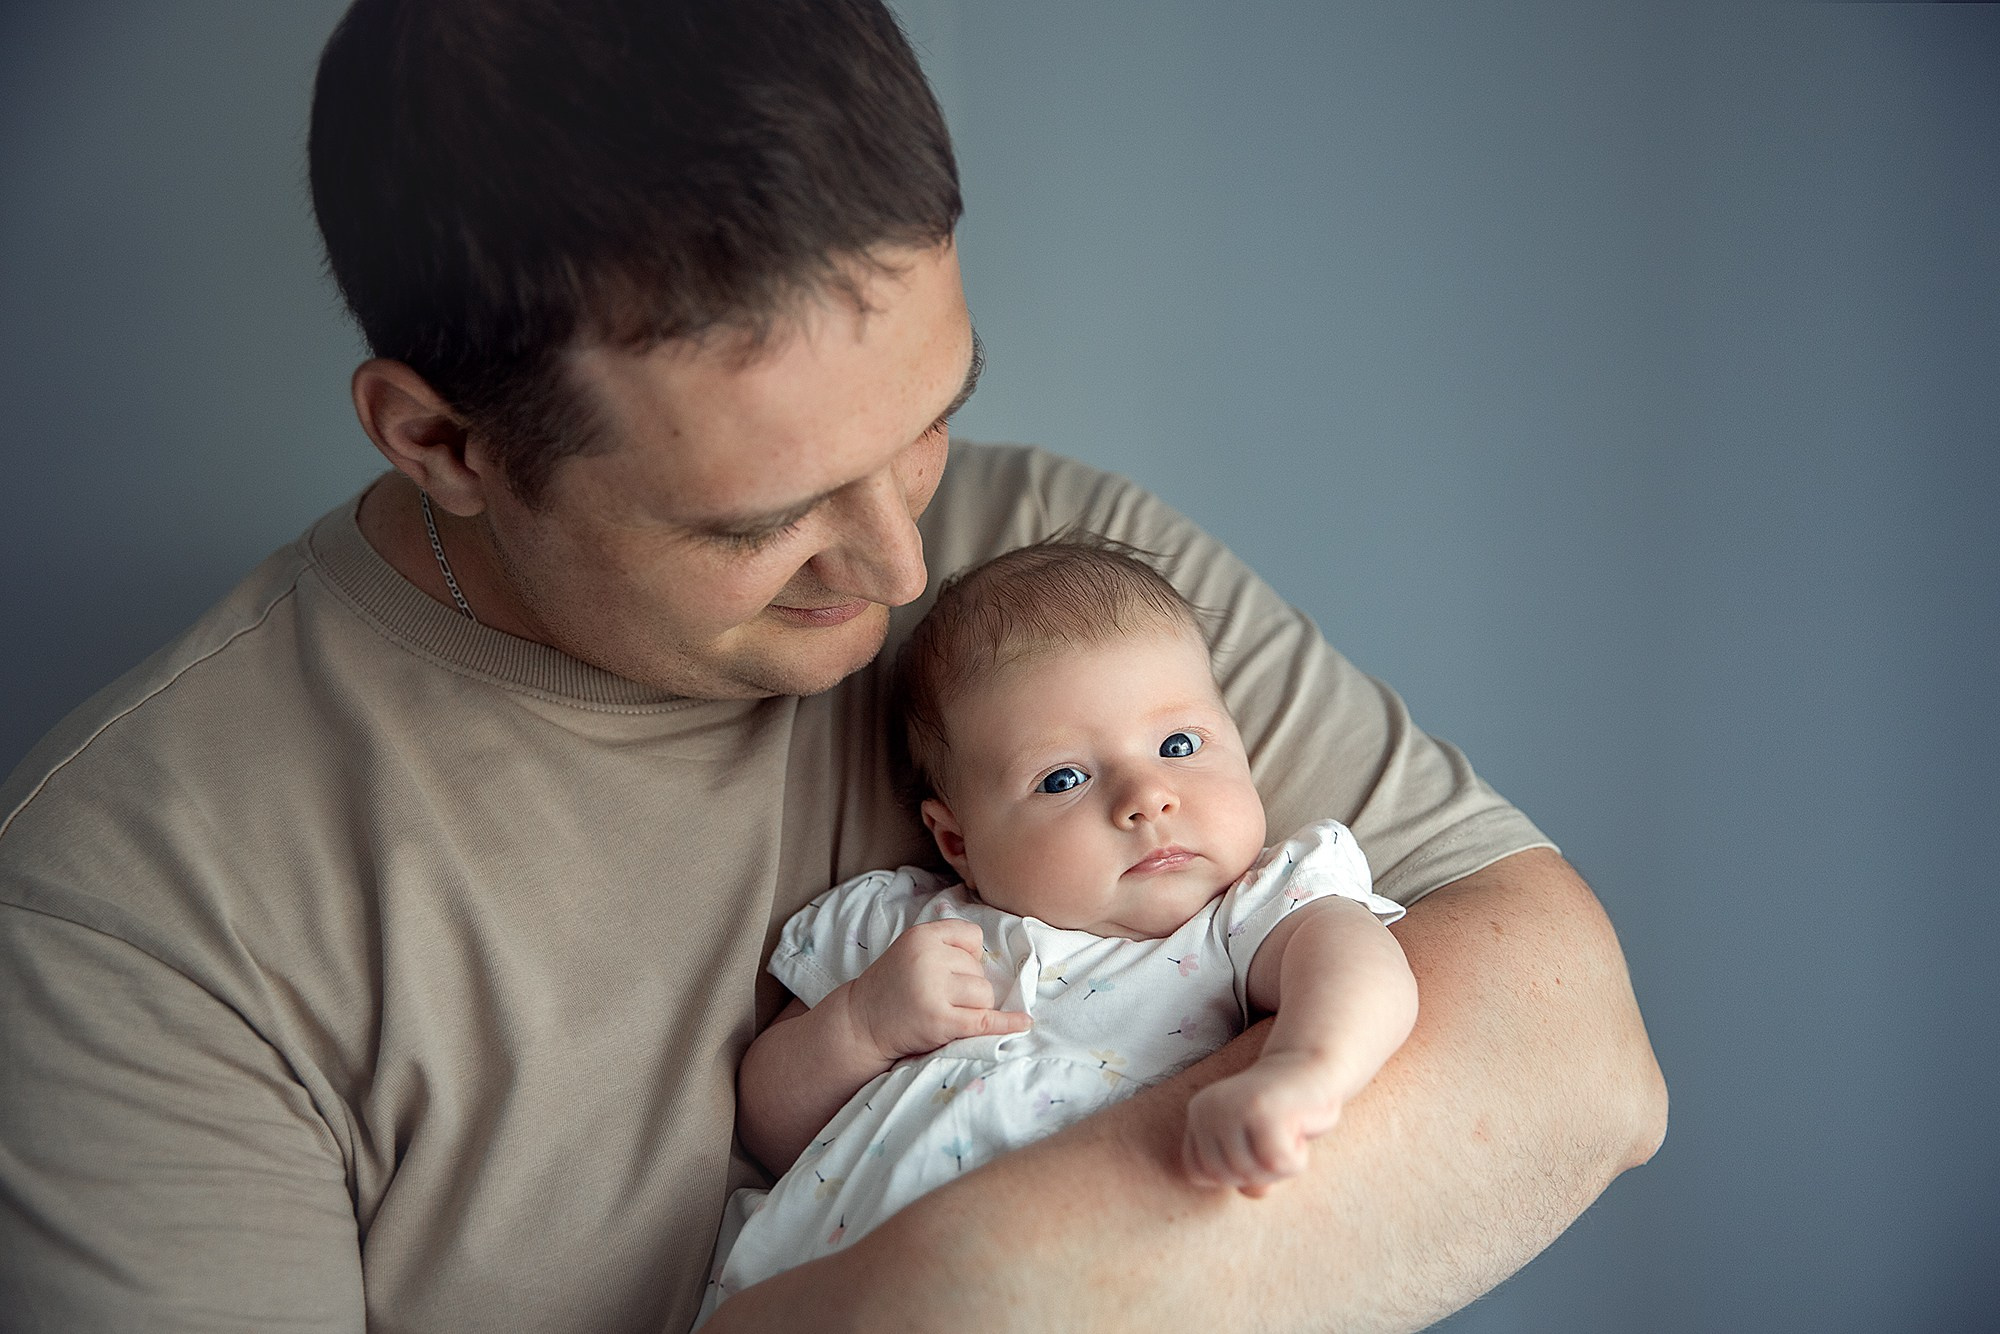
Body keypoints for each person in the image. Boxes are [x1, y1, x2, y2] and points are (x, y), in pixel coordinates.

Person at [0, 1, 1666, 1332]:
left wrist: (947, 1287)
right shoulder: (142, 912)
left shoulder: (1066, 584)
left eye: (929, 422)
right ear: (443, 441)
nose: (902, 570)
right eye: (763, 518)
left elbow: (1577, 1068)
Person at [704, 541, 1420, 1319]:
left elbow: (1361, 966)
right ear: (958, 842)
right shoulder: (902, 929)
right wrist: (862, 1023)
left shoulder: (1242, 917)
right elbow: (769, 1127)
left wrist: (1303, 1071)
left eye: (1178, 745)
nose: (1147, 797)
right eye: (1064, 779)